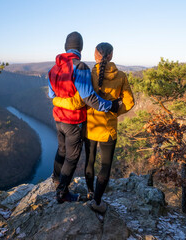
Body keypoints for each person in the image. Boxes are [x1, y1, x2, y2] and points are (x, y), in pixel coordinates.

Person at [48, 32, 121, 204]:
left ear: (66, 47)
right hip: (73, 122)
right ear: (80, 48)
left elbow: (51, 94)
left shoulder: (54, 68)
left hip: (58, 119)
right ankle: (62, 193)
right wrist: (111, 106)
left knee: (61, 150)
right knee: (72, 157)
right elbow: (90, 98)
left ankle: (57, 179)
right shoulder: (79, 67)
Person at [85, 42, 135, 213]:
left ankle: (90, 192)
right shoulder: (120, 76)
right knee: (105, 166)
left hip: (90, 126)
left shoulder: (89, 74)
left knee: (89, 161)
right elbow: (129, 102)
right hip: (108, 129)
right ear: (111, 56)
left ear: (95, 56)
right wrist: (114, 112)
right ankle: (97, 201)